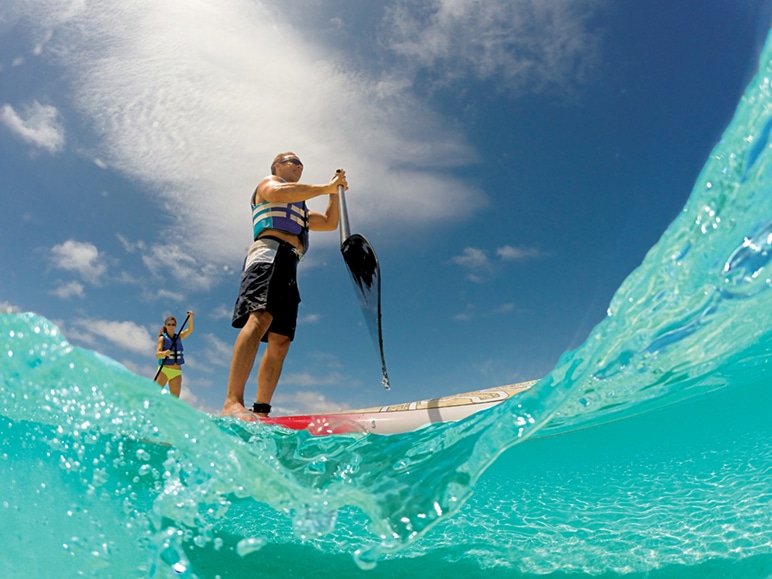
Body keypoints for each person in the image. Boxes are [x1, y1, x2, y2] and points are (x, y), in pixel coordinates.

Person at [221, 152, 347, 417]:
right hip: (269, 255)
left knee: (281, 340)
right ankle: (232, 402)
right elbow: (279, 194)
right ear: (278, 166)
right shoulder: (268, 184)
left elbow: (329, 222)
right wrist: (325, 187)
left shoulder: (300, 208)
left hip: (290, 264)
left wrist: (334, 191)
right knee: (259, 319)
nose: (299, 167)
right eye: (294, 162)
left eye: (301, 164)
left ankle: (262, 409)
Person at [155, 311, 195, 397]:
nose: (171, 326)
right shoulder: (162, 338)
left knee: (174, 399)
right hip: (164, 371)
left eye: (173, 324)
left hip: (176, 372)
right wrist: (164, 353)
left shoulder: (179, 337)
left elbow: (190, 330)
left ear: (175, 326)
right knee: (154, 394)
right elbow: (157, 354)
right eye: (169, 324)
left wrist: (190, 318)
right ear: (165, 326)